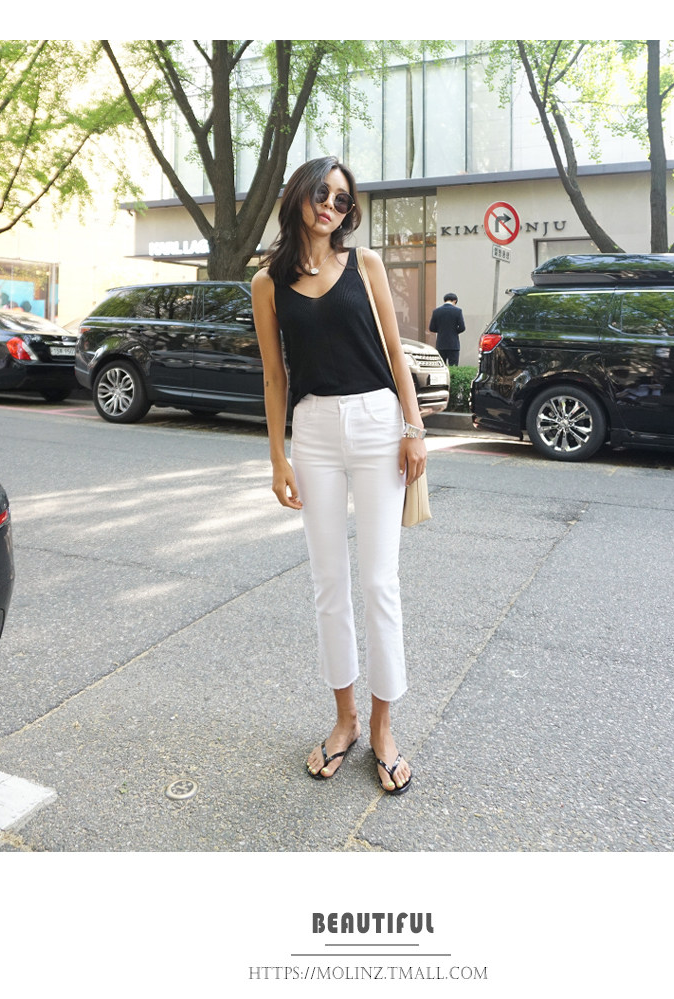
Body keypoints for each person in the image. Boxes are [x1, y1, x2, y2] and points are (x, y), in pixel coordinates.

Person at [251, 156, 427, 795]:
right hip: (314, 432)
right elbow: (275, 375)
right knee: (329, 583)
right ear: (299, 194)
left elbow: (395, 352)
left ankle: (383, 725)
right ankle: (345, 719)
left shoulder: (366, 265)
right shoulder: (267, 283)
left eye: (342, 200)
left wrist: (414, 427)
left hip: (378, 423)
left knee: (379, 581)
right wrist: (278, 457)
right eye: (322, 193)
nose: (331, 206)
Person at [428, 293, 465, 366]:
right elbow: (462, 327)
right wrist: (454, 332)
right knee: (453, 367)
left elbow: (431, 328)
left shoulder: (436, 311)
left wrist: (440, 330)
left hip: (441, 344)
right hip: (453, 344)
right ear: (455, 301)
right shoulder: (458, 311)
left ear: (444, 300)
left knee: (441, 366)